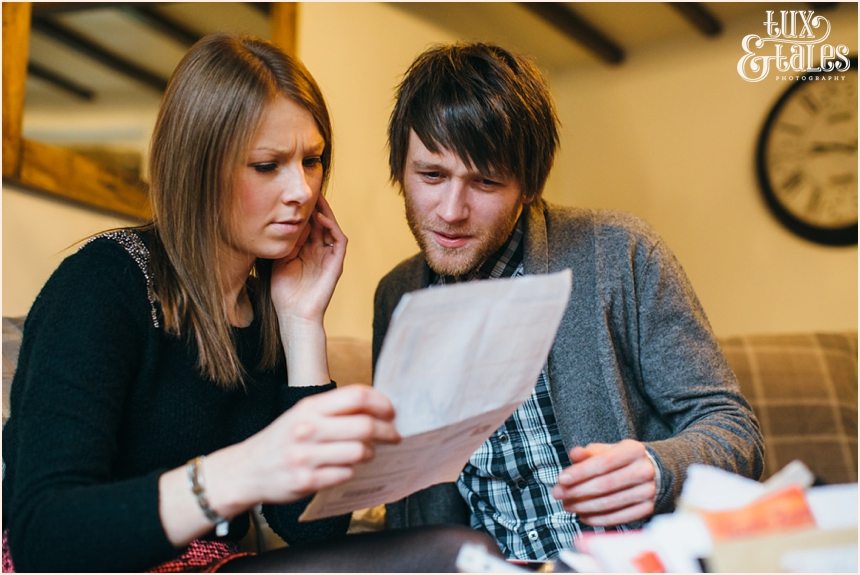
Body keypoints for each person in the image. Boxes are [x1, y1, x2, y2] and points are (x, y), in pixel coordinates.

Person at [1, 34, 497, 573]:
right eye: (267, 166)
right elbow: (43, 538)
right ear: (199, 168)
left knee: (463, 554)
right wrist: (241, 471)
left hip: (214, 564)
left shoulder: (265, 305)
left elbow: (314, 528)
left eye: (312, 161)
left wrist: (302, 323)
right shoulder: (102, 284)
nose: (302, 191)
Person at [373, 42, 765, 561]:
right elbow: (410, 501)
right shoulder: (397, 295)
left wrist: (657, 466)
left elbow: (735, 432)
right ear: (401, 168)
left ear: (528, 187)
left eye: (486, 181)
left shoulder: (619, 251)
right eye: (431, 175)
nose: (450, 211)